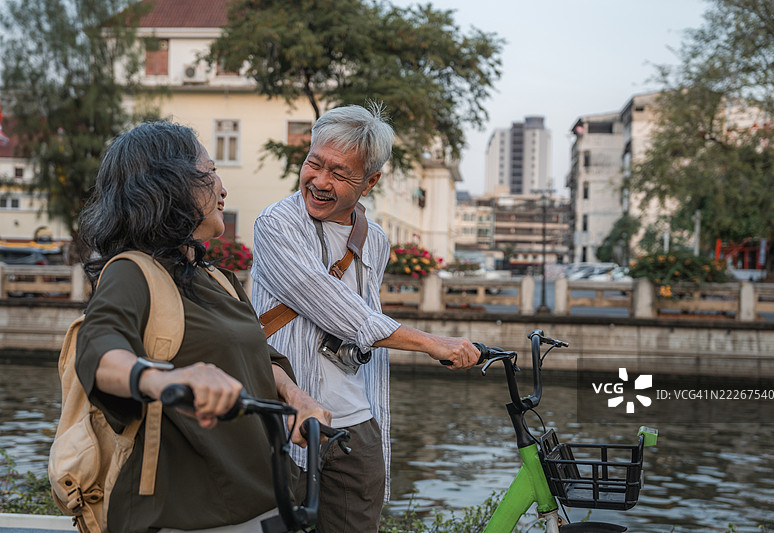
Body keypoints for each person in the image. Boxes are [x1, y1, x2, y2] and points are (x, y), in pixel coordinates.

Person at [75, 120, 328, 533]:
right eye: (211, 173)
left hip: (271, 503)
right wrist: (167, 379)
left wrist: (297, 397)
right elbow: (99, 352)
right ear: (171, 184)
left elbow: (264, 361)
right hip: (188, 518)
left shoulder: (219, 278)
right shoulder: (132, 273)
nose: (223, 188)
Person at [251, 103, 480, 533]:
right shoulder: (275, 224)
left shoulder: (374, 240)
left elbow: (364, 317)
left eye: (339, 174)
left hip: (358, 425)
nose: (319, 181)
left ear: (370, 181)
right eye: (314, 164)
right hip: (287, 423)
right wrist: (432, 343)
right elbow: (339, 310)